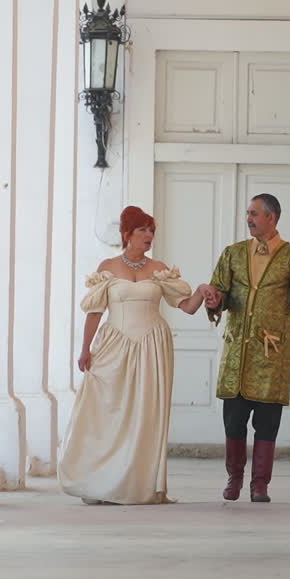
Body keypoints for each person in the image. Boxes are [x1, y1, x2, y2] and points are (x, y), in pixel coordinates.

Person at [58, 206, 208, 505]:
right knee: (107, 411)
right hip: (115, 344)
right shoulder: (108, 267)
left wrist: (202, 291)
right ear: (127, 234)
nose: (149, 236)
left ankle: (136, 483)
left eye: (152, 231)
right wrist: (85, 349)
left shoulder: (160, 269)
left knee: (145, 414)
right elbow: (95, 312)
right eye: (142, 230)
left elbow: (187, 307)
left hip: (153, 345)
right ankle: (100, 481)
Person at [199, 194, 290, 503]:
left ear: (271, 218)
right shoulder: (233, 254)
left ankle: (260, 485)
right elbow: (220, 291)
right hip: (238, 352)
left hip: (271, 356)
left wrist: (283, 331)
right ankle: (234, 479)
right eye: (247, 214)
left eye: (254, 213)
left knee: (267, 422)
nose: (248, 218)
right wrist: (215, 301)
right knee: (233, 421)